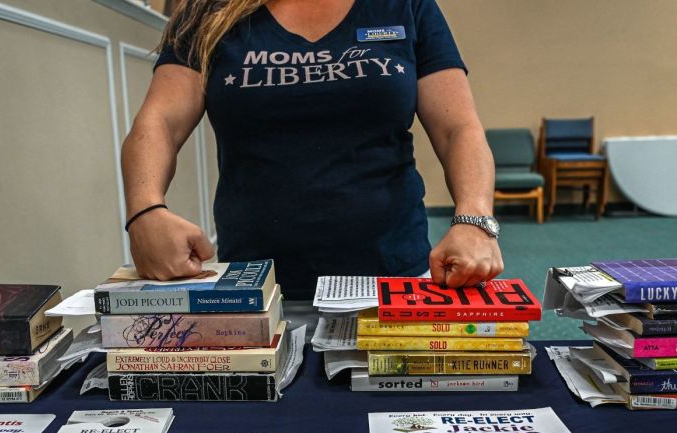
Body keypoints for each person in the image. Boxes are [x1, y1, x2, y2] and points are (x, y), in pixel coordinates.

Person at [121, 0, 503, 333]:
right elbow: (161, 122)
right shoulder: (208, 10)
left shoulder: (405, 5)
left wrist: (475, 218)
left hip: (392, 283)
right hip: (259, 292)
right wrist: (145, 210)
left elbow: (459, 129)